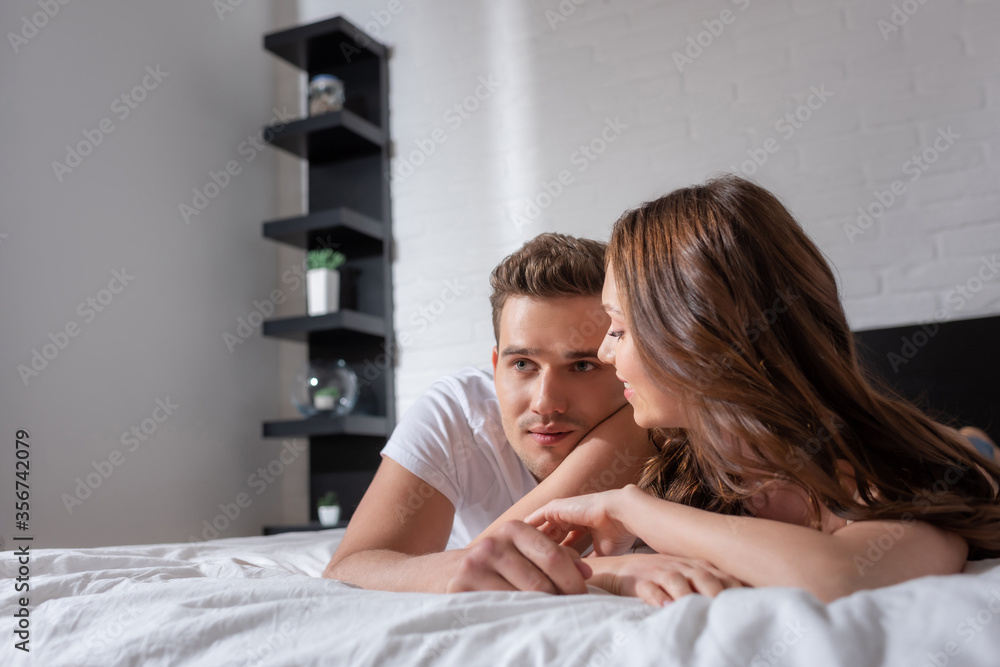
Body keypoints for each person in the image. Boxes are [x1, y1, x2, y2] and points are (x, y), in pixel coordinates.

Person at [527, 175, 1000, 603]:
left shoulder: (903, 472)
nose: (606, 356)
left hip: (954, 453)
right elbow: (510, 561)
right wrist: (621, 568)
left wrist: (629, 507)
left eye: (620, 329)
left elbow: (843, 576)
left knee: (973, 450)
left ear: (695, 336)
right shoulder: (676, 454)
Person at [324, 233, 675, 595]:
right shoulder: (458, 410)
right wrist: (458, 567)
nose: (545, 403)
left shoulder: (661, 415)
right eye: (523, 364)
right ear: (495, 367)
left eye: (583, 366)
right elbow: (349, 570)